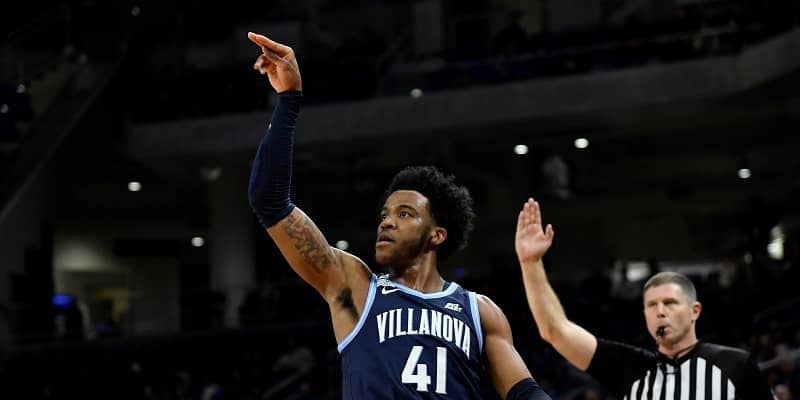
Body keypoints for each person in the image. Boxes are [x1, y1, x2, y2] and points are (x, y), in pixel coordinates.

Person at [245, 31, 551, 400]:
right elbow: (269, 200)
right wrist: (289, 100)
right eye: (385, 214)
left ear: (436, 234)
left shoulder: (479, 311)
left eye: (404, 214)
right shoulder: (356, 287)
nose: (386, 222)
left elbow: (524, 393)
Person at [514, 198, 776, 399]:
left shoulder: (735, 365)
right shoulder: (629, 367)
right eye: (652, 305)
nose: (660, 311)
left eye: (670, 303)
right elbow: (556, 331)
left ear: (694, 310)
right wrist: (530, 263)